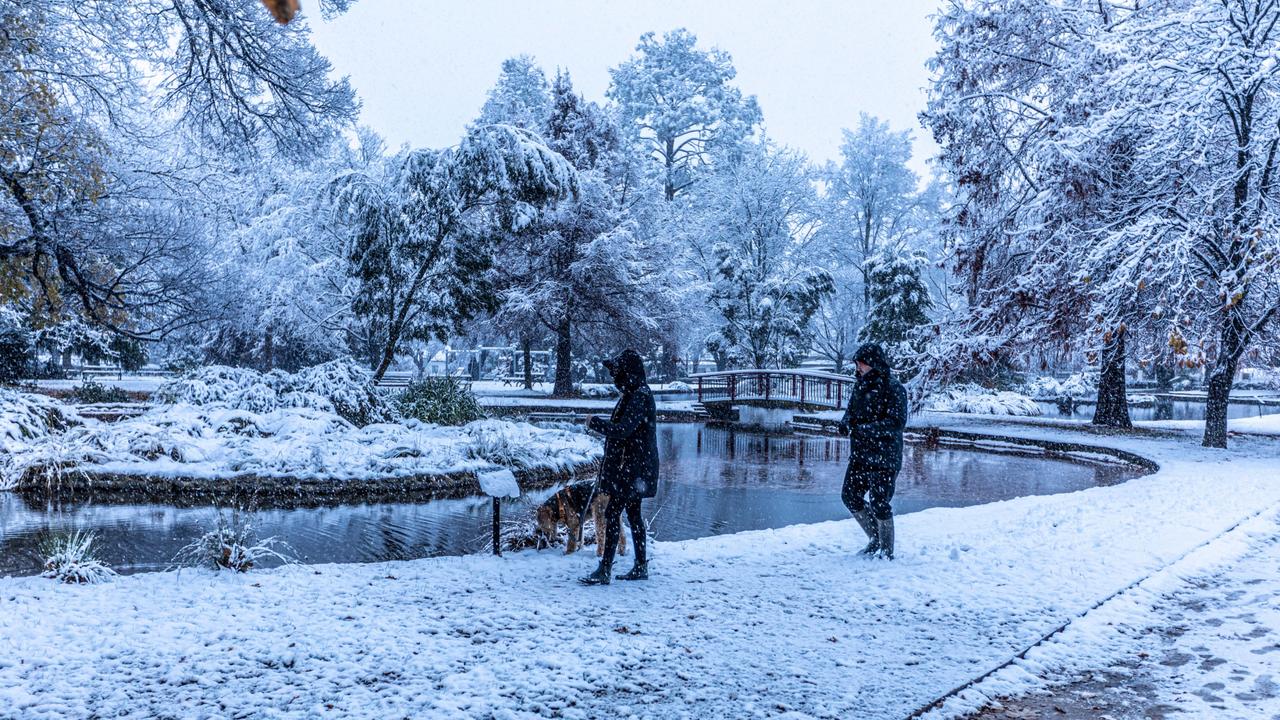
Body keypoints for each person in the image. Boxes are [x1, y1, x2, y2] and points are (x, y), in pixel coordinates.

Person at [579, 349, 658, 585]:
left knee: (613, 513)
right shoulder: (634, 393)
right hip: (635, 468)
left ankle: (605, 569)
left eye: (618, 372)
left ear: (628, 373)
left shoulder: (639, 396)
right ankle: (640, 566)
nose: (615, 378)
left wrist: (596, 423)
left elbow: (624, 429)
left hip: (633, 469)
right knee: (633, 515)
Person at [837, 343, 908, 560]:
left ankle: (886, 549)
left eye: (861, 363)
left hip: (885, 456)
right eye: (857, 364)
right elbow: (851, 410)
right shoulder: (860, 385)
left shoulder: (894, 388)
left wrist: (865, 430)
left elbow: (897, 422)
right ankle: (875, 537)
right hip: (860, 454)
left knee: (879, 502)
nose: (858, 367)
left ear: (873, 364)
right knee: (850, 496)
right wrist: (846, 422)